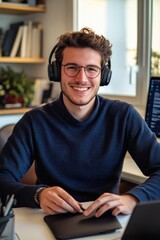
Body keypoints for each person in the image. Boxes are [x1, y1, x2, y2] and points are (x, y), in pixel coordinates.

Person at [0, 28, 160, 218]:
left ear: (104, 75)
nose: (82, 78)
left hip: (107, 220)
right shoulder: (34, 121)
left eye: (91, 69)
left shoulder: (123, 116)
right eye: (72, 67)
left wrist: (133, 199)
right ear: (57, 71)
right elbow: (3, 179)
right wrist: (37, 195)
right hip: (48, 219)